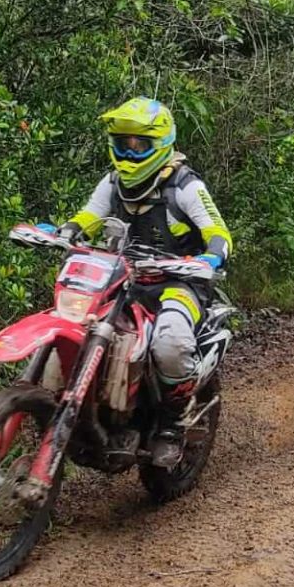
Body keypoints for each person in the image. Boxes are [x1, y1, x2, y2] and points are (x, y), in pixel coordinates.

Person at [61, 97, 232, 469]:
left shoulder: (185, 185)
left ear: (161, 143)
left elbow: (217, 230)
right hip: (125, 282)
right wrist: (69, 230)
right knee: (78, 324)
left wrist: (211, 256)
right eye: (123, 143)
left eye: (139, 145)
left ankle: (171, 423)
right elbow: (90, 214)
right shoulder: (113, 182)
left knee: (170, 341)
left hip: (179, 283)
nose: (129, 152)